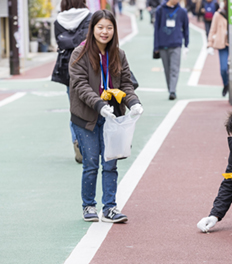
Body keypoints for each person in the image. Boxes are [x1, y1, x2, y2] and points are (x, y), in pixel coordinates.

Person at [69, 9, 143, 223]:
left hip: (113, 119)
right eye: (100, 27)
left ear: (114, 30)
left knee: (110, 163)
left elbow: (127, 84)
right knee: (91, 163)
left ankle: (110, 208)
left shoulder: (118, 55)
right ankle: (89, 206)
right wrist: (99, 104)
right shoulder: (79, 53)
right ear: (92, 29)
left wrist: (134, 103)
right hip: (87, 118)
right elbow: (80, 85)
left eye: (109, 28)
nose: (105, 31)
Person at [51, 0, 92, 164]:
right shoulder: (89, 18)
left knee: (74, 108)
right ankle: (90, 144)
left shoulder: (58, 21)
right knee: (90, 106)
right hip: (87, 67)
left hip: (68, 68)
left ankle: (77, 142)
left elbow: (59, 43)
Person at [153, 0, 189, 100]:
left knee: (174, 69)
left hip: (176, 44)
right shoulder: (160, 10)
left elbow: (186, 28)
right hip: (163, 45)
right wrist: (156, 46)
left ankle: (172, 91)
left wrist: (186, 45)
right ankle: (170, 89)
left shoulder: (182, 11)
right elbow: (156, 28)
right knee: (167, 69)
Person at [207, 0, 228, 97]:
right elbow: (212, 30)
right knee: (223, 69)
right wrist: (210, 44)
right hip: (222, 44)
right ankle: (226, 84)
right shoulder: (218, 14)